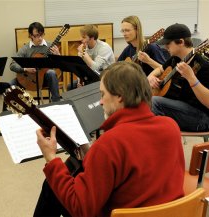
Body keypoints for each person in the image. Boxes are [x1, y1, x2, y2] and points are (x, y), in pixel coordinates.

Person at [34, 62, 185, 217]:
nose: (100, 102)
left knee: (53, 187)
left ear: (119, 96)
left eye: (102, 94)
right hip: (168, 211)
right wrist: (92, 155)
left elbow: (80, 208)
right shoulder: (171, 126)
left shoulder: (109, 143)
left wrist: (51, 158)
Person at [148, 23, 209, 132]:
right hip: (181, 108)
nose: (165, 47)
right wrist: (151, 77)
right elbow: (160, 69)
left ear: (181, 42)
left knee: (154, 102)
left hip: (202, 117)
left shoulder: (204, 65)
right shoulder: (175, 59)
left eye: (168, 43)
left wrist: (191, 78)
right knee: (143, 98)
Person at [9, 22, 61, 102]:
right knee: (10, 84)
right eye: (36, 35)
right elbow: (12, 65)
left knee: (51, 73)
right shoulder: (25, 49)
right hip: (28, 78)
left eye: (41, 35)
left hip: (45, 79)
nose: (40, 38)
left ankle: (56, 102)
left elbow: (61, 65)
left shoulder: (50, 46)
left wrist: (58, 55)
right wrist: (25, 69)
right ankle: (10, 111)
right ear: (30, 36)